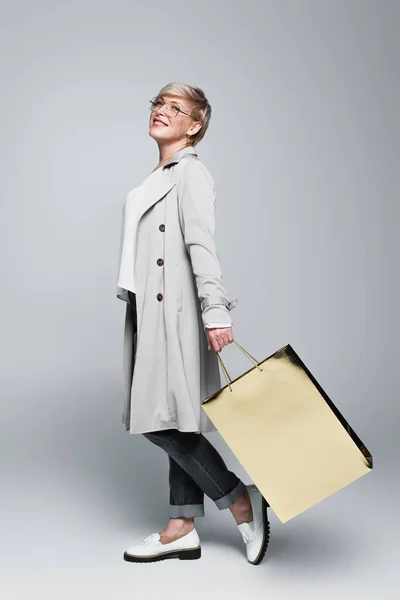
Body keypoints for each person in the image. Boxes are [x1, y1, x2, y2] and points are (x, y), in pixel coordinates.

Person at [115, 82, 269, 565]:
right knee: (172, 418)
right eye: (158, 103)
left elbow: (201, 245)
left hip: (175, 313)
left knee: (161, 422)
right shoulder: (158, 174)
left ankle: (242, 501)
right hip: (147, 309)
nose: (162, 111)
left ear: (194, 125)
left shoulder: (191, 175)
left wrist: (216, 308)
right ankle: (181, 525)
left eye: (175, 108)